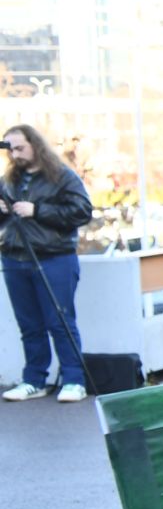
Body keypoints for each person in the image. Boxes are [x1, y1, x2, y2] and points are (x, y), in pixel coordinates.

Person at [1, 124, 93, 402]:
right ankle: (34, 379)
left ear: (35, 145)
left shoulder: (61, 176)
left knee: (60, 320)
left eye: (20, 148)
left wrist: (38, 210)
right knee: (29, 324)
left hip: (54, 258)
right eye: (11, 149)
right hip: (15, 257)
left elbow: (82, 211)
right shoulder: (9, 181)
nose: (15, 154)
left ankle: (74, 380)